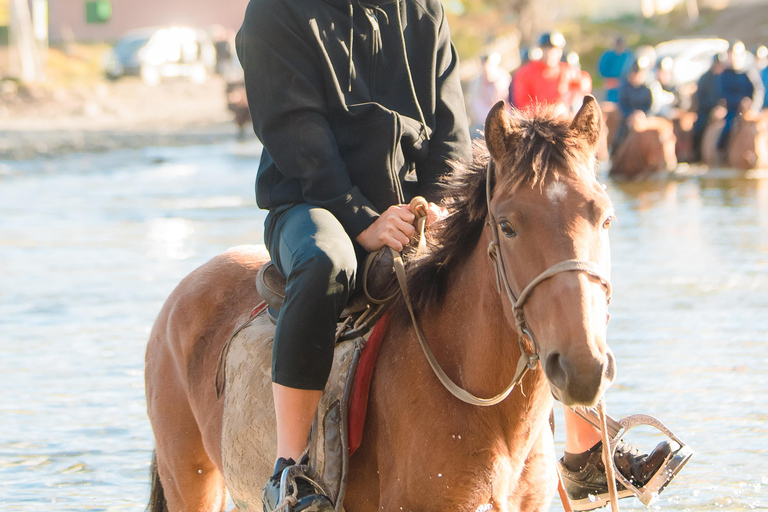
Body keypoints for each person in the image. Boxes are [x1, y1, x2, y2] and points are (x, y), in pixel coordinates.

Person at [237, 4, 683, 509]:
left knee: (537, 244)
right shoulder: (276, 12)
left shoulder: (422, 7)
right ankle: (289, 472)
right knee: (327, 266)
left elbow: (449, 123)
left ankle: (586, 448)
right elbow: (296, 133)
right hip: (314, 202)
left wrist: (440, 203)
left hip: (415, 201)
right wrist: (362, 219)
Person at [511, 31, 586, 113]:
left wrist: (569, 99)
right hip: (536, 121)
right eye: (545, 49)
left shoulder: (567, 70)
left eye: (553, 49)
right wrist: (548, 111)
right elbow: (522, 102)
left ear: (560, 51)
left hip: (562, 118)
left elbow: (584, 83)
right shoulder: (525, 73)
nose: (549, 53)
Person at [715, 40, 764, 159]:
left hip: (751, 111)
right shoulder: (725, 74)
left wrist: (753, 106)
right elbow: (723, 94)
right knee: (728, 128)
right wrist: (739, 102)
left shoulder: (748, 72)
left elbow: (758, 90)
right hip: (734, 110)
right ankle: (722, 153)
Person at [468, 52, 512, 135]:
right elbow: (474, 103)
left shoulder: (503, 78)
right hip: (482, 123)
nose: (486, 67)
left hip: (503, 120)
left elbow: (506, 99)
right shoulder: (476, 82)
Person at [692, 54, 725, 162]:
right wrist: (713, 107)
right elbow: (700, 98)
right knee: (699, 128)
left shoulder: (724, 77)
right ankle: (697, 155)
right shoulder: (705, 78)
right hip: (706, 111)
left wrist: (722, 106)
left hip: (724, 110)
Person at [597, 36, 635, 103]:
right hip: (611, 85)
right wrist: (608, 80)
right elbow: (601, 69)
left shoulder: (628, 56)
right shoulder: (608, 55)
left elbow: (632, 70)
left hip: (625, 84)